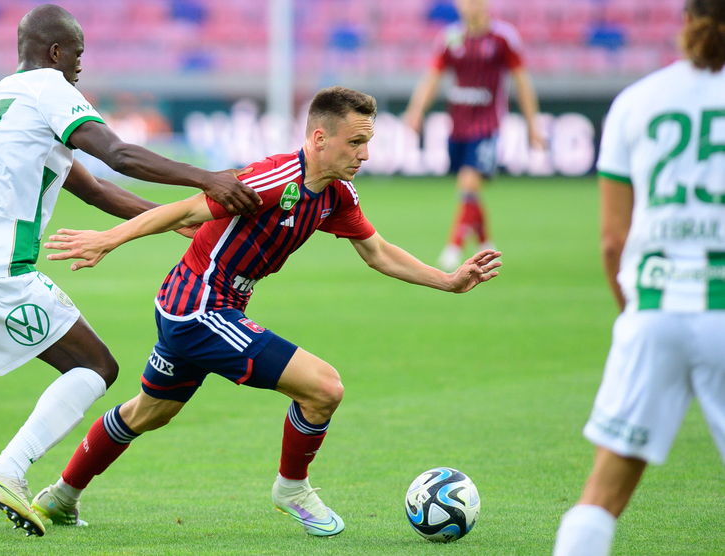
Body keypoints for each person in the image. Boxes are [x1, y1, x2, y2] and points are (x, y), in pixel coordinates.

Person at [30, 86, 502, 537]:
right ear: (320, 138)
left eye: (368, 142)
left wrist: (448, 280)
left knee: (148, 412)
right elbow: (185, 211)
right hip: (200, 307)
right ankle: (292, 488)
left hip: (194, 306)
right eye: (355, 142)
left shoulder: (337, 194)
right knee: (324, 388)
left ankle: (61, 496)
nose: (365, 154)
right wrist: (107, 240)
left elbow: (378, 252)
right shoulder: (274, 179)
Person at [0, 4, 260, 538]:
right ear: (55, 52)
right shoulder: (51, 88)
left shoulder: (3, 95)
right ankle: (8, 470)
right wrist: (206, 179)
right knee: (95, 366)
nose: (80, 65)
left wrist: (171, 220)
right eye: (77, 53)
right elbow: (117, 154)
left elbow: (94, 188)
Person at [553, 1, 725, 554]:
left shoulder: (637, 101)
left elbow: (613, 241)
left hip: (654, 308)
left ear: (686, 20)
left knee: (601, 496)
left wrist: (634, 312)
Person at [404, 0, 543, 271]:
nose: (471, 7)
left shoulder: (503, 38)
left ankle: (452, 248)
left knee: (468, 184)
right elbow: (433, 77)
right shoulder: (450, 38)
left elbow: (522, 82)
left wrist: (532, 125)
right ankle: (485, 243)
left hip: (488, 125)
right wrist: (416, 110)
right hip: (458, 126)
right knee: (470, 190)